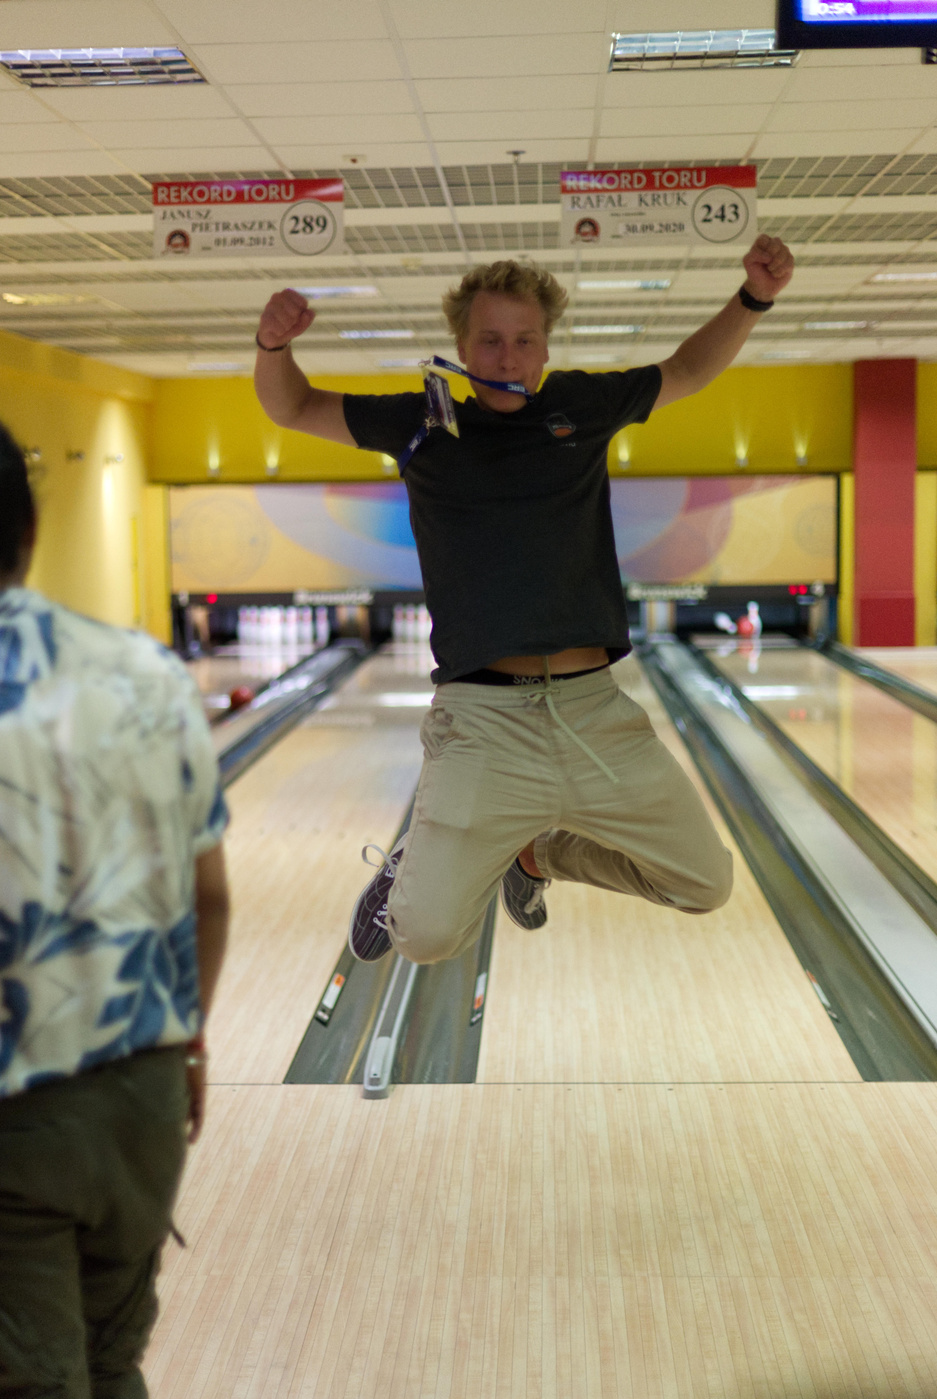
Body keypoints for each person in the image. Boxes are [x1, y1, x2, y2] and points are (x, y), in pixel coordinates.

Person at [253, 238, 793, 965]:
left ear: (543, 348)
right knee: (425, 939)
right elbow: (291, 406)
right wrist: (272, 346)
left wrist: (753, 297)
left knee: (703, 884)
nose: (507, 357)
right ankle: (408, 867)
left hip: (595, 712)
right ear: (461, 347)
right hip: (483, 723)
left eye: (523, 340)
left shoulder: (581, 404)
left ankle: (537, 858)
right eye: (490, 340)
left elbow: (688, 370)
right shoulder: (420, 423)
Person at [0, 405, 231, 1399]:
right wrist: (187, 1040)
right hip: (143, 1099)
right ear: (29, 532)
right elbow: (207, 894)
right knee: (106, 1374)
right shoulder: (144, 672)